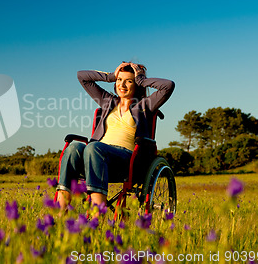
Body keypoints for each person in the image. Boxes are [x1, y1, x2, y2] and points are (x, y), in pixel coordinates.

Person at [55, 62, 175, 212]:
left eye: (129, 81)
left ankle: (98, 213)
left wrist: (141, 79)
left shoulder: (145, 105)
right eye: (120, 80)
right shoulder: (108, 101)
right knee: (74, 147)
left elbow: (168, 86)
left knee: (94, 147)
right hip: (96, 156)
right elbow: (82, 76)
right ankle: (61, 212)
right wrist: (110, 76)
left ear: (137, 84)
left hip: (126, 160)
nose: (122, 85)